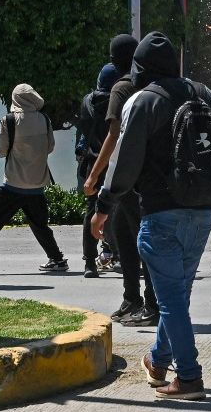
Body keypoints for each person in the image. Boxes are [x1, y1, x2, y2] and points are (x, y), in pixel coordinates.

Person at [101, 31, 211, 401]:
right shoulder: (204, 94)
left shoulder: (144, 100)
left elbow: (124, 162)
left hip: (162, 214)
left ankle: (189, 378)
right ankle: (158, 363)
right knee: (178, 293)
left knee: (172, 299)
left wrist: (103, 207)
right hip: (204, 211)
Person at [88, 34, 161, 326]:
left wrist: (96, 174)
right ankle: (132, 298)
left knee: (136, 239)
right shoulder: (156, 86)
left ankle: (148, 302)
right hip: (151, 176)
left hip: (128, 176)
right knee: (127, 234)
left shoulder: (123, 87)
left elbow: (114, 135)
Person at [0, 83, 68, 273]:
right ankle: (57, 259)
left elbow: (1, 151)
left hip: (13, 183)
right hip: (37, 184)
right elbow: (50, 147)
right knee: (40, 225)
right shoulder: (44, 120)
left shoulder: (9, 120)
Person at [75, 63, 120, 278]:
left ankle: (90, 263)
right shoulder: (118, 102)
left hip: (92, 163)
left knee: (92, 210)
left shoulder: (87, 101)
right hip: (114, 163)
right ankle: (118, 254)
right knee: (119, 210)